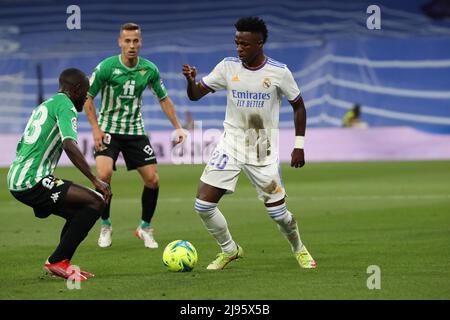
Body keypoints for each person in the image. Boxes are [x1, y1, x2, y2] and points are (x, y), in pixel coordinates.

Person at [182, 16, 316, 270]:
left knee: (279, 215)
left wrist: (299, 145)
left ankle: (299, 248)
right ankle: (229, 249)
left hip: (261, 149)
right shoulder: (228, 67)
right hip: (230, 144)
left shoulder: (278, 72)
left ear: (259, 43)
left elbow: (298, 106)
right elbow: (195, 96)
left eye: (244, 44)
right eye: (236, 43)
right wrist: (190, 81)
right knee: (203, 205)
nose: (239, 48)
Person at [84, 23, 186, 249]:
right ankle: (106, 224)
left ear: (140, 43)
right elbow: (87, 97)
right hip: (109, 129)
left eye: (135, 41)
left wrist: (177, 126)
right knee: (104, 174)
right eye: (127, 41)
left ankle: (145, 227)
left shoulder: (149, 69)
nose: (131, 45)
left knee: (153, 180)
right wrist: (95, 128)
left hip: (135, 131)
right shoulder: (106, 68)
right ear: (120, 42)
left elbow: (163, 98)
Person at [7, 68, 112, 281]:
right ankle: (57, 260)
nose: (87, 98)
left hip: (20, 176)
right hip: (32, 180)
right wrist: (95, 180)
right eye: (86, 92)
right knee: (96, 201)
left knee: (78, 212)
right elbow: (69, 145)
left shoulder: (44, 106)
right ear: (76, 89)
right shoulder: (65, 105)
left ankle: (61, 262)